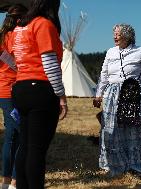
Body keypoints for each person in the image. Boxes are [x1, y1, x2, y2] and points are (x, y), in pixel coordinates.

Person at [10, 0, 68, 188]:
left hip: (21, 87)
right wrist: (61, 95)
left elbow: (12, 58)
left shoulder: (20, 27)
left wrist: (23, 72)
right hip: (40, 88)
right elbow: (49, 62)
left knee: (25, 146)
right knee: (37, 149)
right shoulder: (43, 24)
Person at [93, 23, 141, 177]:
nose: (114, 37)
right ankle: (114, 162)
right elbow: (104, 75)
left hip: (134, 94)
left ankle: (137, 161)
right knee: (112, 129)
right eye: (114, 34)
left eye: (118, 34)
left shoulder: (139, 51)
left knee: (135, 129)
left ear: (127, 36)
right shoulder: (110, 52)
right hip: (113, 96)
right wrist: (98, 94)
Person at [0, 4, 27, 189]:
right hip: (9, 90)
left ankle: (9, 180)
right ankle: (11, 181)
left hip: (11, 90)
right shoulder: (14, 37)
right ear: (19, 19)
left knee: (14, 135)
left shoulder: (4, 37)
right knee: (16, 133)